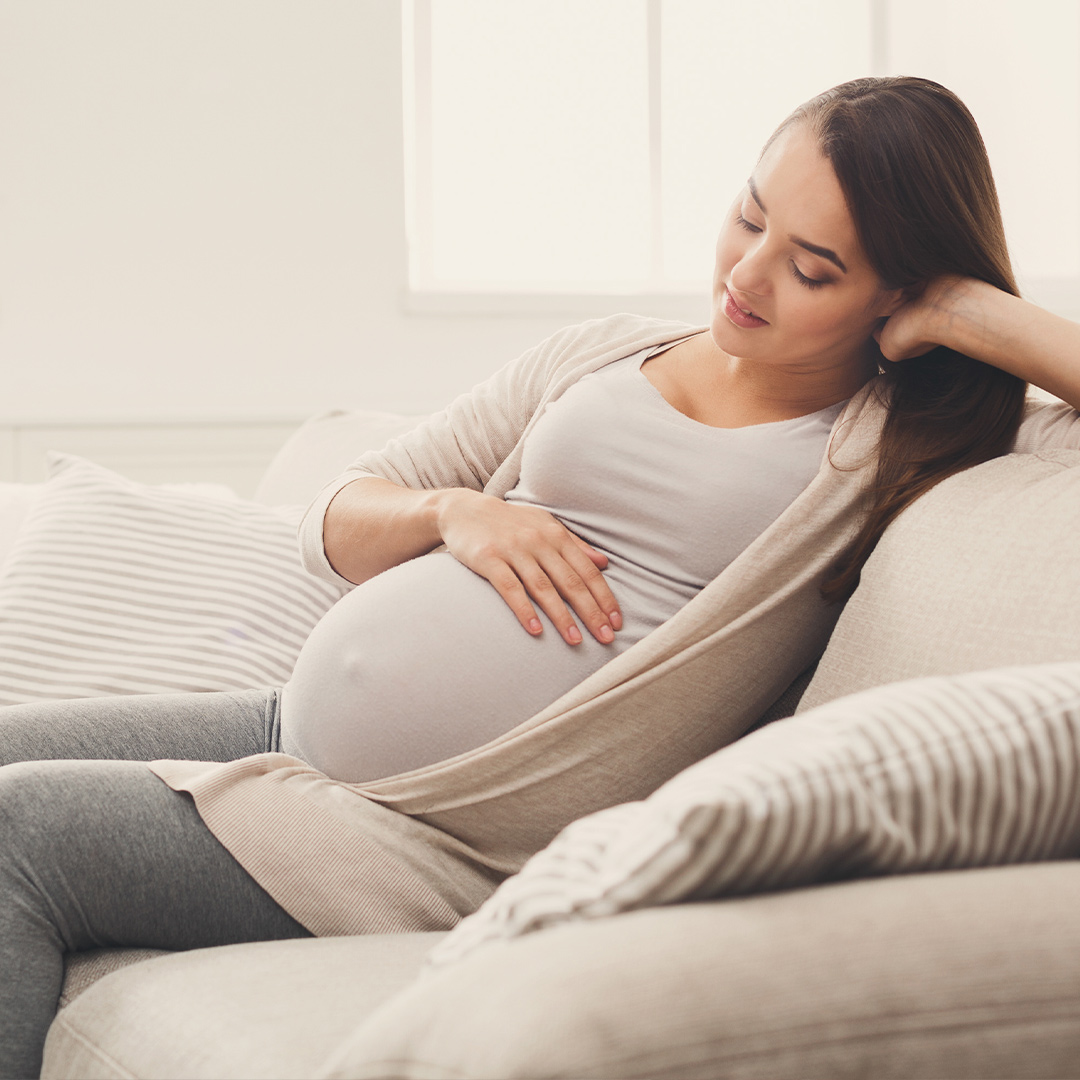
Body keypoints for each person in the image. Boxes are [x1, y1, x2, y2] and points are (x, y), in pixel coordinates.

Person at [3, 75, 1080, 1077]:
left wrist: (970, 312)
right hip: (291, 727)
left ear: (897, 291)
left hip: (431, 837)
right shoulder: (602, 354)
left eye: (812, 267)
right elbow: (335, 516)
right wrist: (455, 514)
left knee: (18, 835)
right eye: (749, 217)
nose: (746, 276)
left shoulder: (887, 450)